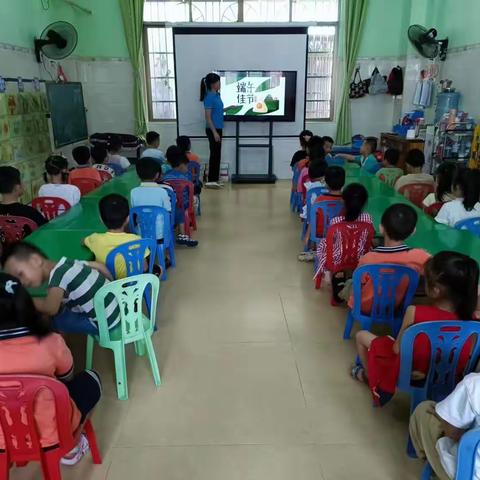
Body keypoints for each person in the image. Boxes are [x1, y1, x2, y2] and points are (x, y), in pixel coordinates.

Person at [0, 272, 102, 465]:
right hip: (53, 433)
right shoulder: (49, 341)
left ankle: (11, 454)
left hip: (4, 438)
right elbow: (66, 378)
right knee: (90, 379)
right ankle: (71, 448)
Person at [353, 251, 479, 408]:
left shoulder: (414, 312)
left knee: (361, 336)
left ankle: (369, 377)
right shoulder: (474, 324)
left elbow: (397, 349)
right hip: (450, 377)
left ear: (435, 290)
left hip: (411, 373)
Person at [2, 242, 119, 335]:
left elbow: (50, 308)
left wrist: (25, 299)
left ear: (35, 260)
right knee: (62, 304)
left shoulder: (58, 277)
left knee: (54, 320)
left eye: (20, 274)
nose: (21, 282)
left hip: (106, 324)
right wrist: (112, 283)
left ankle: (59, 352)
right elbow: (100, 266)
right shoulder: (67, 263)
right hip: (118, 309)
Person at [347, 203, 431, 315]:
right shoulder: (420, 256)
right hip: (395, 306)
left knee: (349, 283)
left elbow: (359, 283)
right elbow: (434, 266)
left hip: (364, 307)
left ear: (381, 228)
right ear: (413, 232)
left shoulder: (368, 259)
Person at [410, 372, 480, 480]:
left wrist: (444, 417)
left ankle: (432, 462)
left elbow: (452, 433)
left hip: (465, 474)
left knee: (424, 409)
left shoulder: (474, 384)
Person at [314, 183, 373, 281]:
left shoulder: (336, 221)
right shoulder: (368, 219)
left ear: (343, 201)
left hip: (337, 259)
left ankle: (327, 271)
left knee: (323, 243)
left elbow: (330, 240)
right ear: (364, 202)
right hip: (361, 257)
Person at [83, 194, 148, 279]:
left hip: (109, 284)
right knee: (158, 268)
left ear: (101, 219)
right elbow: (144, 267)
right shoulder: (137, 240)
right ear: (128, 218)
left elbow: (83, 241)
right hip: (133, 284)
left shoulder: (95, 239)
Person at [298, 165, 344, 262]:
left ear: (326, 183)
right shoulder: (345, 201)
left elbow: (313, 218)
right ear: (343, 182)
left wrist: (308, 235)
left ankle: (318, 253)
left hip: (321, 237)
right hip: (341, 238)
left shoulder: (319, 201)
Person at [130, 157, 176, 249]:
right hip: (160, 235)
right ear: (157, 175)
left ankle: (146, 254)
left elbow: (134, 211)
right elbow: (168, 211)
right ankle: (164, 256)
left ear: (138, 175)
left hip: (141, 234)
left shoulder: (133, 191)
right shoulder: (162, 191)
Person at [163, 146, 199, 247]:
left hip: (170, 204)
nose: (187, 168)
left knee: (177, 205)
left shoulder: (166, 176)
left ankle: (179, 232)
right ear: (181, 165)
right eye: (186, 166)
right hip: (184, 204)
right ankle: (183, 233)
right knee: (186, 204)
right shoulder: (186, 176)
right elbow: (190, 191)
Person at [200, 73, 224, 188]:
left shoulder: (216, 95)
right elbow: (208, 118)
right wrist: (214, 133)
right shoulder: (209, 96)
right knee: (214, 155)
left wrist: (229, 108)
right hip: (212, 130)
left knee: (217, 154)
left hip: (218, 128)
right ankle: (211, 181)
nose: (220, 84)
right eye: (218, 82)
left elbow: (218, 110)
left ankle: (215, 179)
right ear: (213, 84)